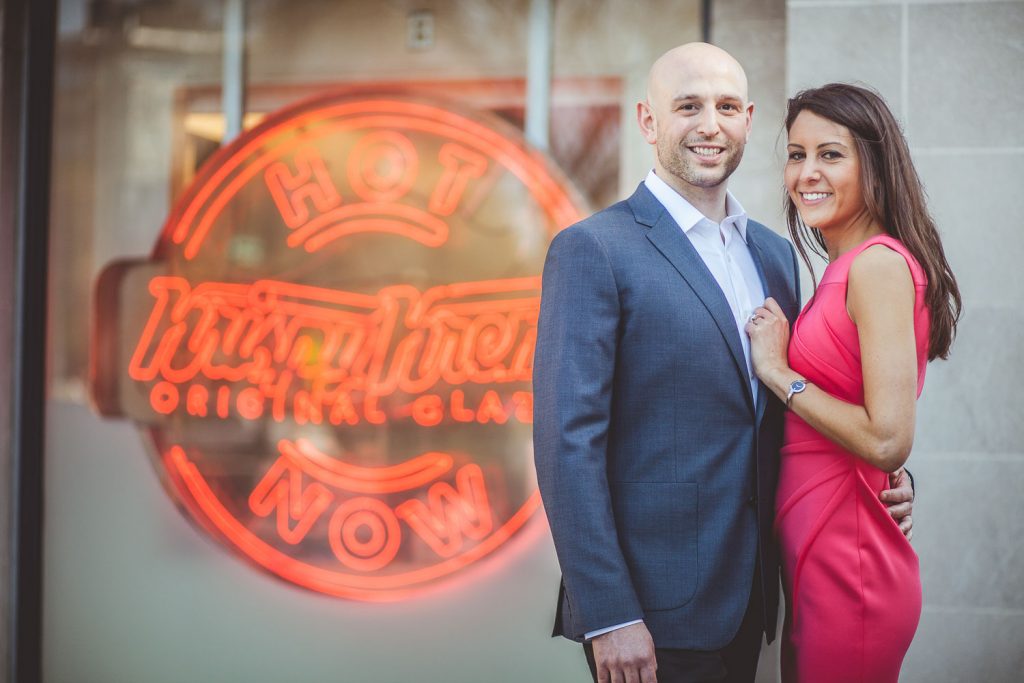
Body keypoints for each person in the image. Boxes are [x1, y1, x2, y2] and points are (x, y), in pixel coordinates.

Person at [533, 44, 915, 683]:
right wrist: (608, 614)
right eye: (689, 106)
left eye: (727, 107)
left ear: (748, 120)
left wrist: (886, 477)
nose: (711, 124)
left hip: (756, 597)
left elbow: (796, 408)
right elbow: (566, 445)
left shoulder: (773, 254)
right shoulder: (593, 250)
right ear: (649, 122)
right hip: (649, 616)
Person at [744, 83, 960, 682]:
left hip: (851, 564)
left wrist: (779, 374)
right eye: (795, 154)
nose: (807, 172)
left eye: (830, 154)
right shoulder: (844, 269)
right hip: (821, 552)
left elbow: (889, 440)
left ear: (875, 162)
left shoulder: (878, 267)